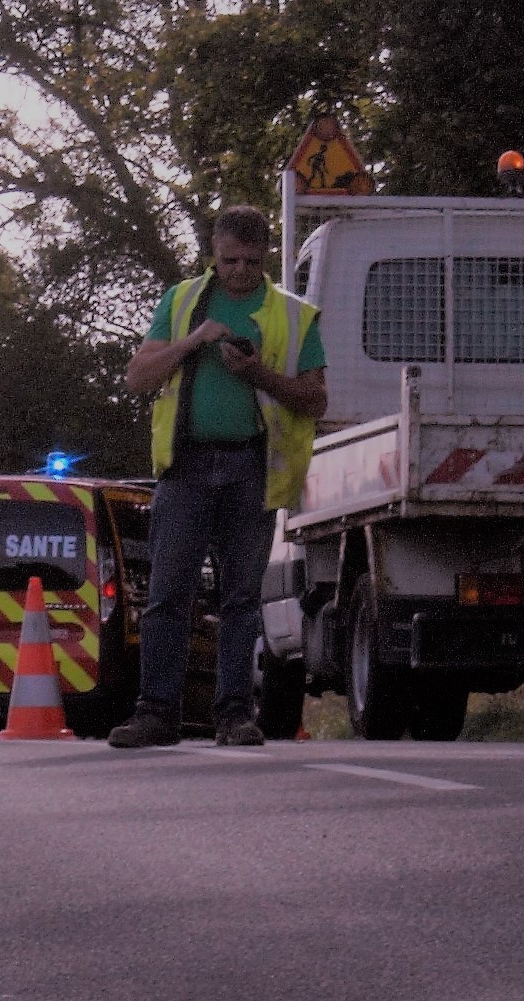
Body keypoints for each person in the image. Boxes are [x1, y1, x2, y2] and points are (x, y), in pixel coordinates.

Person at [110, 204, 327, 749]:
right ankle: (155, 712)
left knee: (238, 599)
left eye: (251, 262)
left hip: (250, 468)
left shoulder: (294, 315)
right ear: (213, 254)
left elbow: (316, 399)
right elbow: (137, 376)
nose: (239, 271)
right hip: (185, 469)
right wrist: (192, 342)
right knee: (166, 596)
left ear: (264, 257)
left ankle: (234, 715)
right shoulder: (182, 302)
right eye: (230, 260)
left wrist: (258, 374)